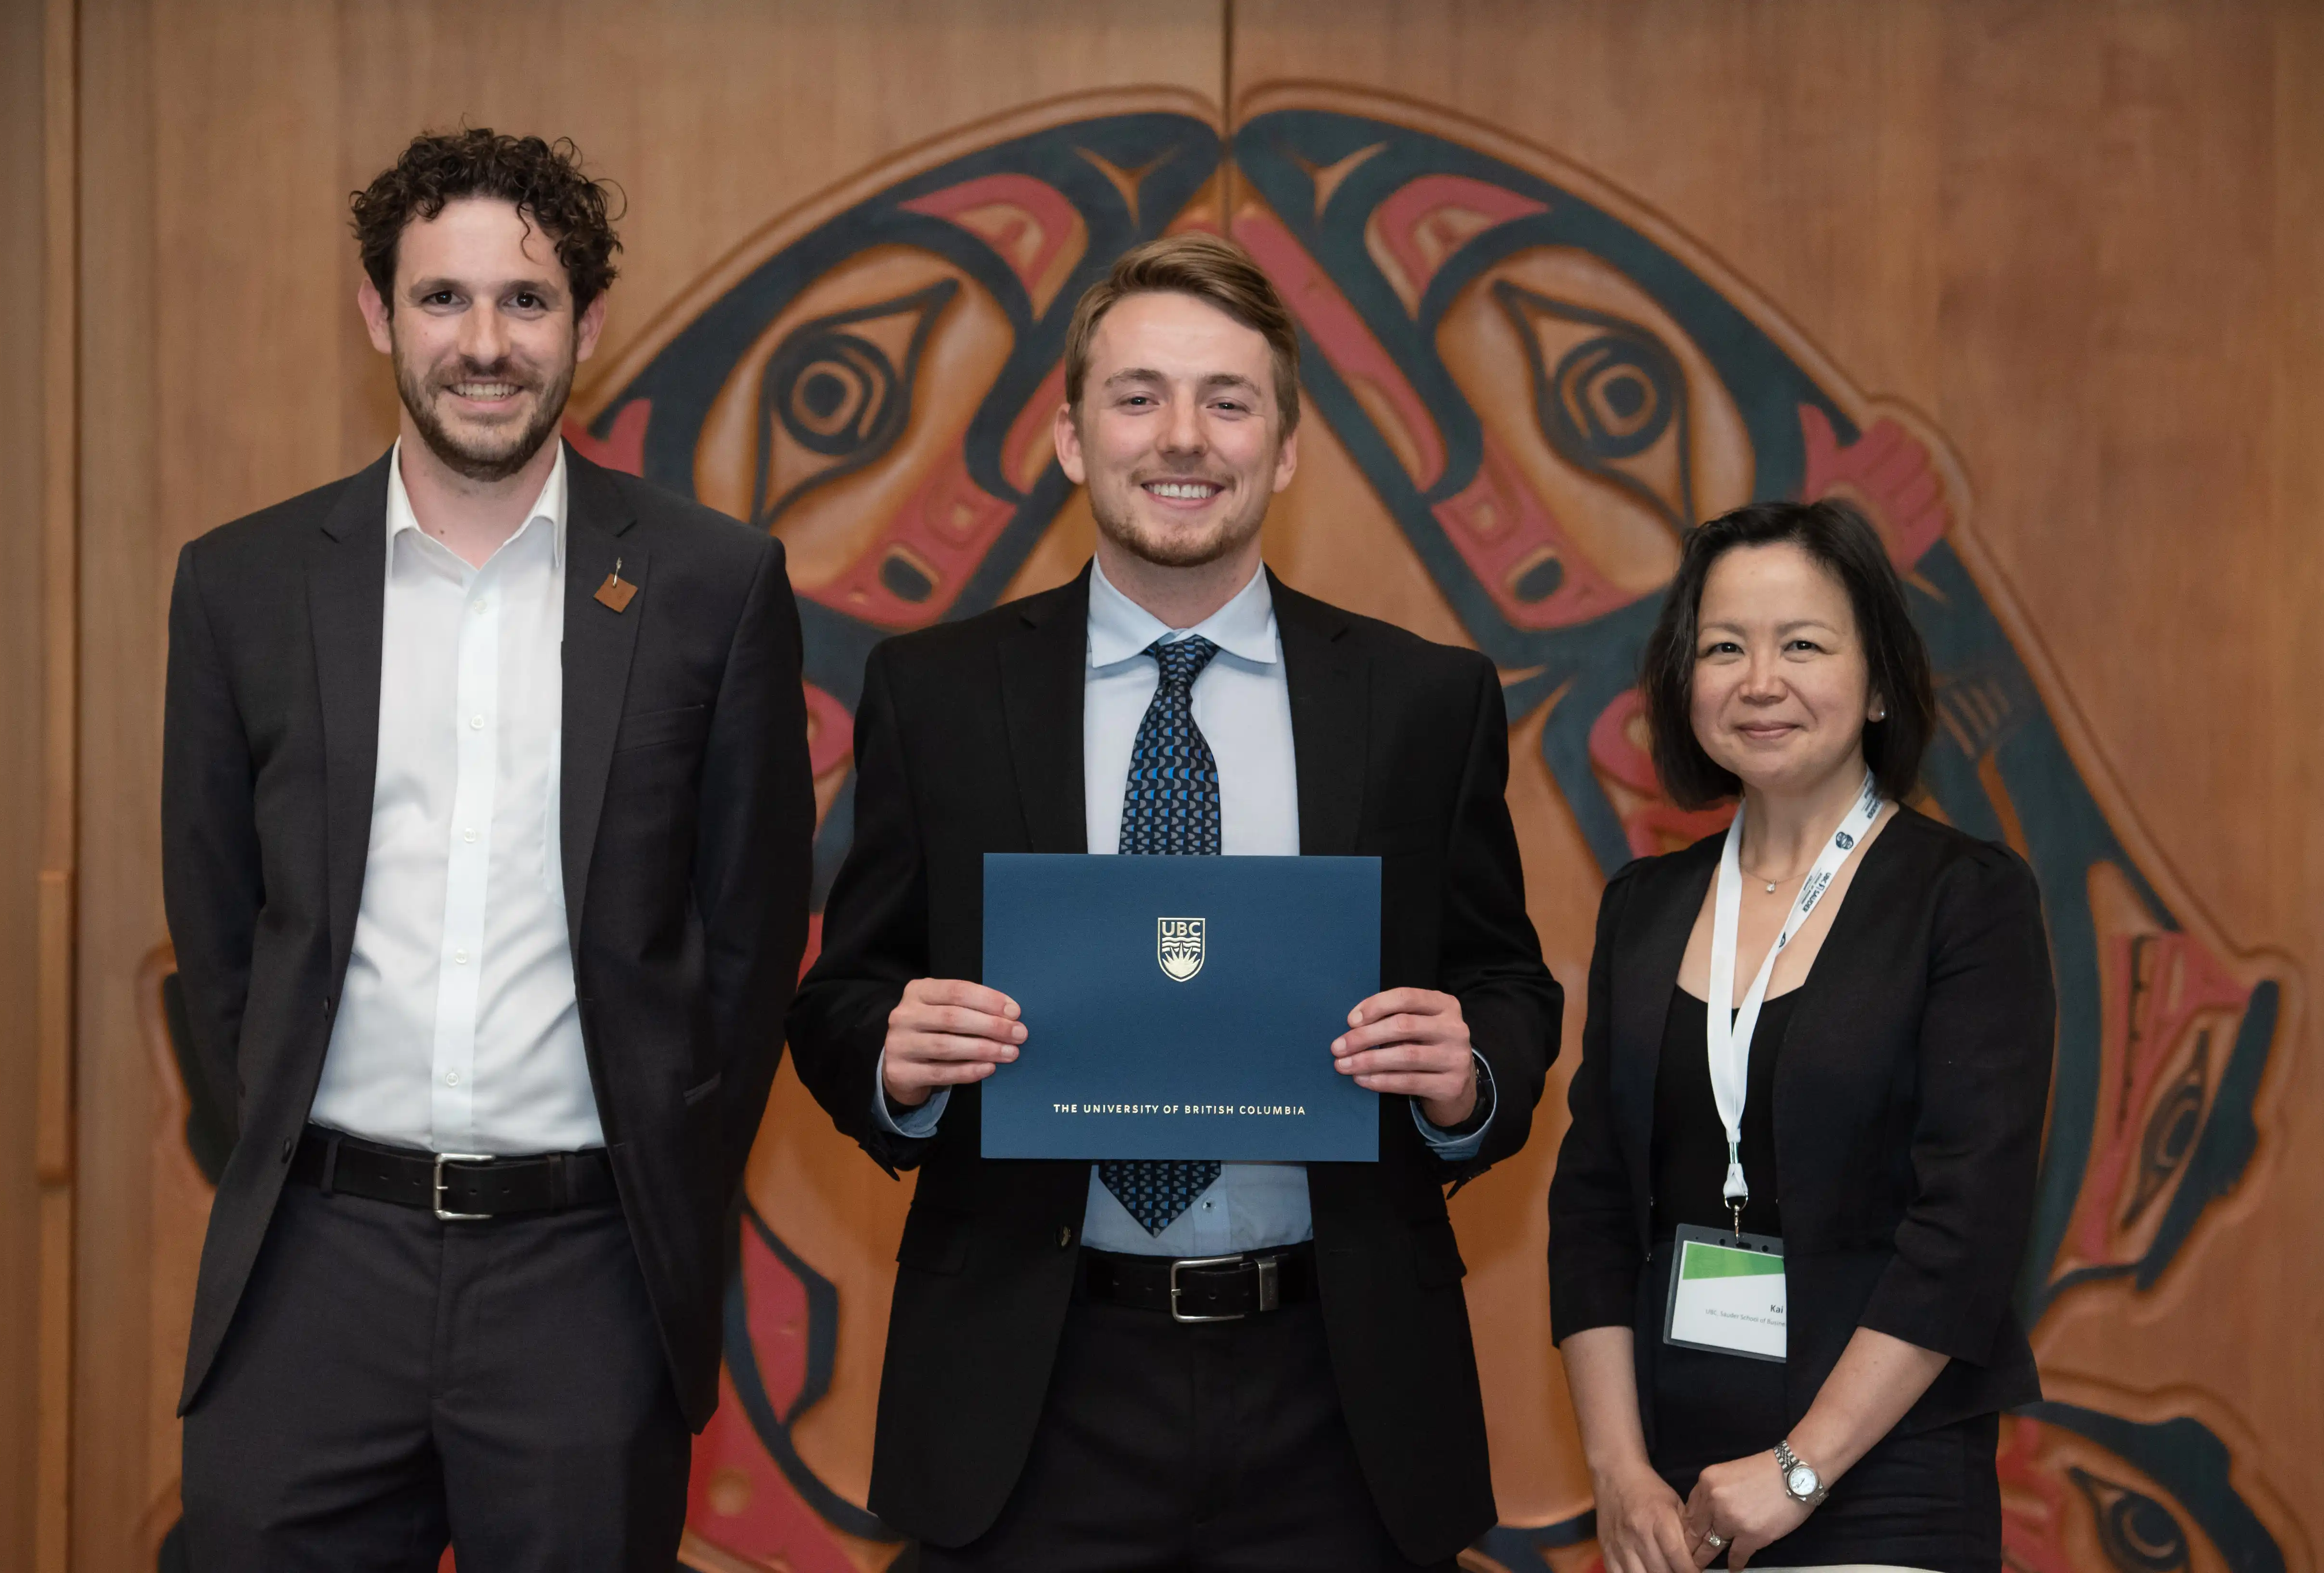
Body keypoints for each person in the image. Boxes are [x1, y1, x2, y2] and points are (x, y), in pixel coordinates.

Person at [786, 233, 1562, 1570]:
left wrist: (1466, 1072)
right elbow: (846, 991)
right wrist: (894, 1060)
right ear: (1073, 438)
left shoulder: (1423, 702)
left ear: (1289, 444)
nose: (1182, 438)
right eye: (1138, 396)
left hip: (1339, 1386)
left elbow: (1507, 982)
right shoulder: (941, 694)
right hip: (1031, 1389)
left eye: (1230, 398)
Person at [164, 129, 812, 1568]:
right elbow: (219, 934)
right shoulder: (244, 586)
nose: (484, 343)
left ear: (586, 324)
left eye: (525, 302)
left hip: (583, 1273)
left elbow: (752, 939)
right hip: (312, 1269)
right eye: (444, 299)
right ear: (378, 316)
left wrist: (656, 1175)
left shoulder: (715, 588)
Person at [1547, 499, 2054, 1573]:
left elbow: (1966, 1225)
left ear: (1876, 684)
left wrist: (1801, 1465)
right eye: (1724, 647)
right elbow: (1592, 1200)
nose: (1758, 680)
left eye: (1803, 645)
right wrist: (1615, 1467)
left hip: (1883, 1474)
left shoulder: (1964, 898)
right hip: (1669, 1488)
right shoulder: (1644, 903)